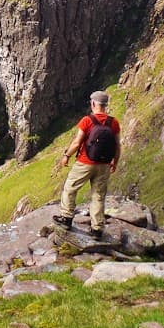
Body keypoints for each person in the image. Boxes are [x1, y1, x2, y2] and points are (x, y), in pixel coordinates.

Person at [53, 90, 120, 233]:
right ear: (105, 105)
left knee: (70, 187)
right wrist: (115, 162)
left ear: (93, 104)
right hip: (104, 165)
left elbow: (77, 143)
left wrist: (66, 155)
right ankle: (97, 229)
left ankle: (66, 218)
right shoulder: (114, 123)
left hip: (85, 162)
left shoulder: (87, 121)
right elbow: (117, 145)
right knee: (98, 195)